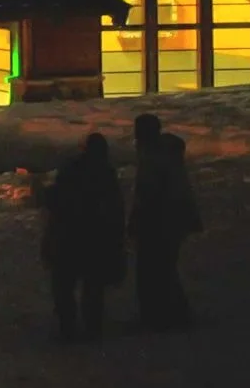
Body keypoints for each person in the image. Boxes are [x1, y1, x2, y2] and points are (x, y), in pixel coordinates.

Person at [40, 131, 125, 341]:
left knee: (65, 286)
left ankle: (68, 327)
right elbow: (114, 211)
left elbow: (56, 201)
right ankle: (92, 327)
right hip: (94, 239)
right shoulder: (106, 175)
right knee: (93, 286)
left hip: (68, 238)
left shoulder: (71, 171)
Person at [129, 112, 201, 330]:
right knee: (163, 268)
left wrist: (137, 220)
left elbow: (149, 193)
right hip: (170, 219)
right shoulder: (165, 154)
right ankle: (170, 314)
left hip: (160, 220)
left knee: (156, 269)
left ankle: (162, 316)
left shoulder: (153, 157)